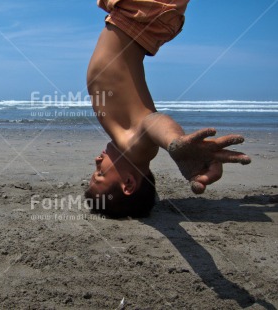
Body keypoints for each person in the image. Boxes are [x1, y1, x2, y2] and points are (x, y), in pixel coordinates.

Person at [84, 0, 251, 217]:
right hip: (142, 14)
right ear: (128, 183)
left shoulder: (127, 142)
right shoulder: (135, 147)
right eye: (100, 174)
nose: (97, 161)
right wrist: (175, 142)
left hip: (134, 17)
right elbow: (154, 122)